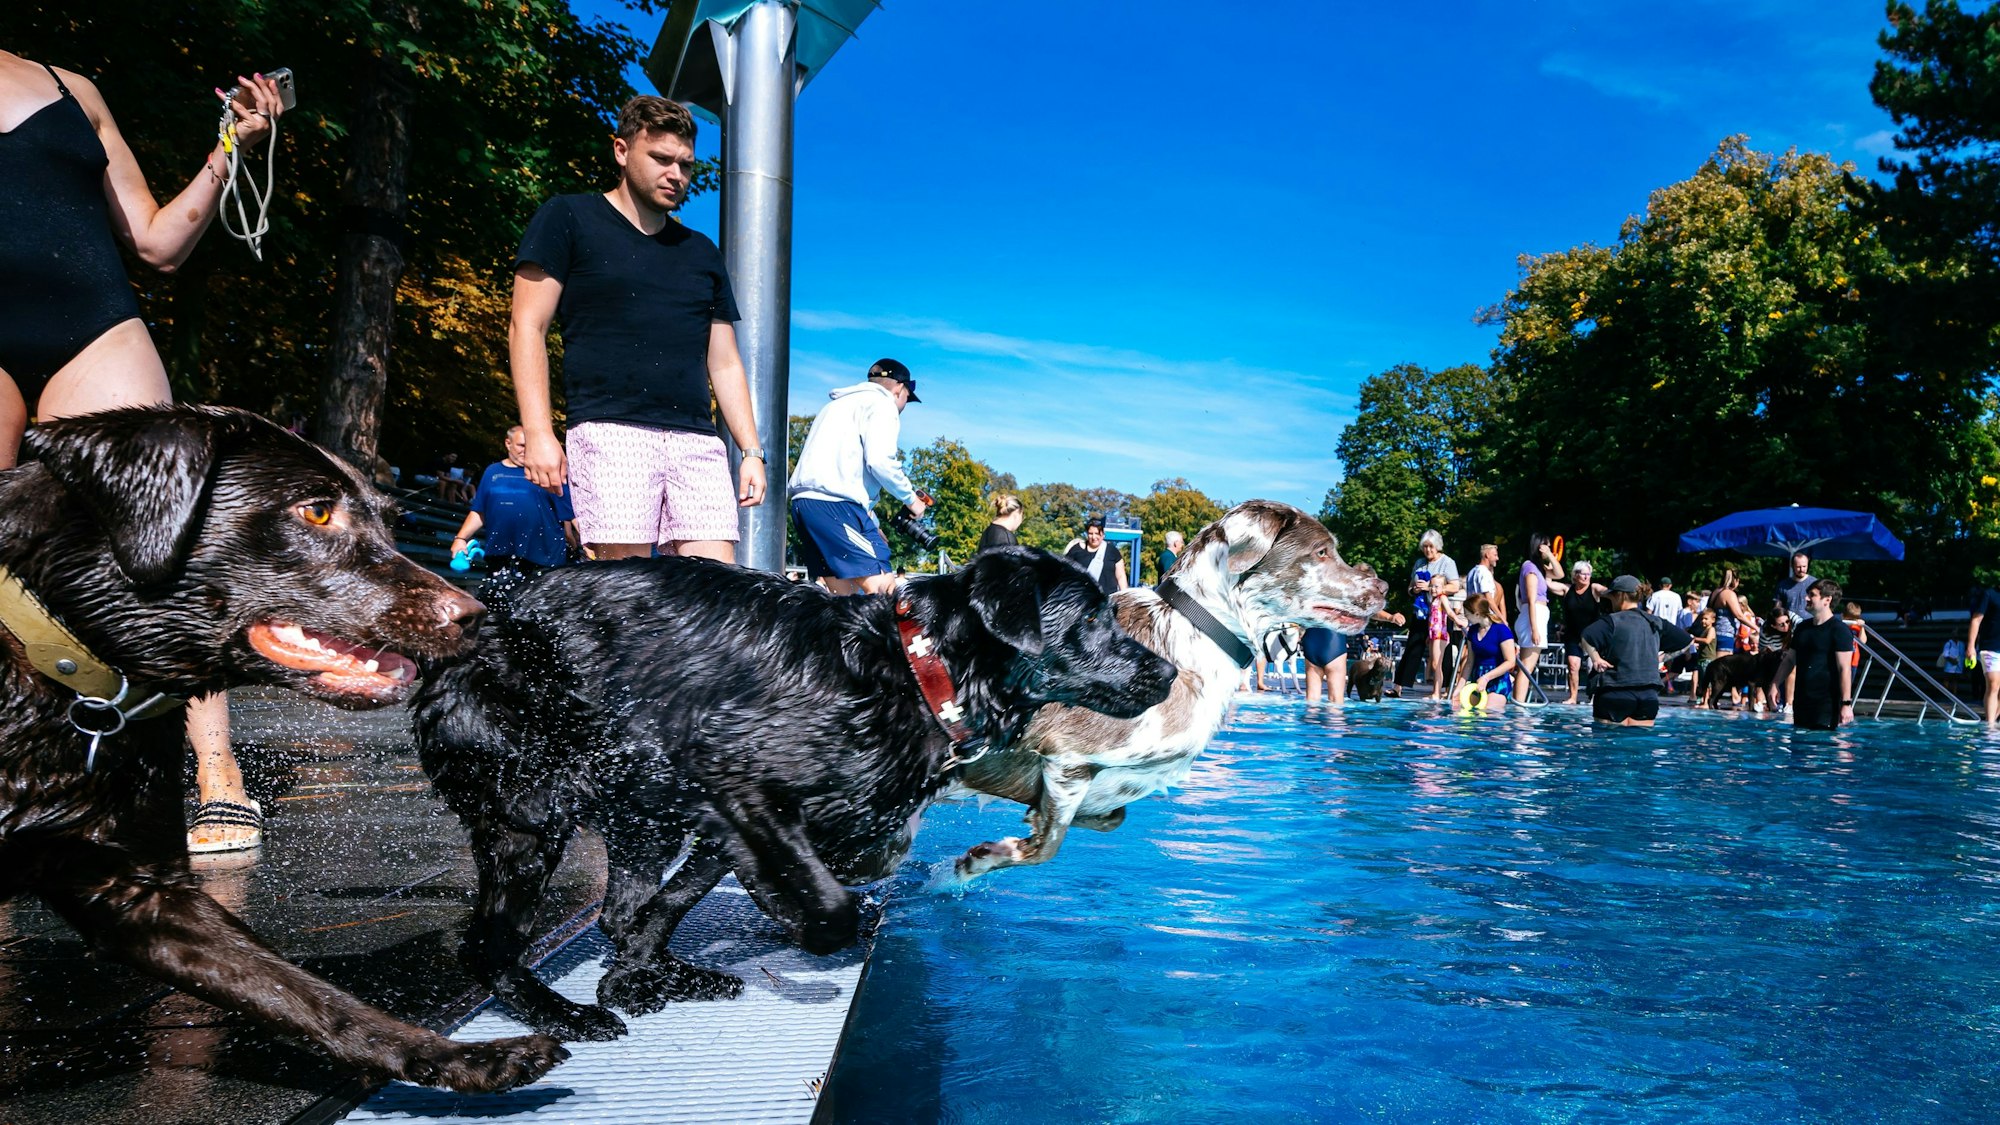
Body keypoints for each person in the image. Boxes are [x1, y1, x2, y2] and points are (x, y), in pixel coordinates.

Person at [1, 54, 287, 855]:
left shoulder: (71, 88)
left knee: (162, 540)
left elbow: (158, 244)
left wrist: (232, 146)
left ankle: (216, 771)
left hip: (92, 325)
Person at [510, 95, 766, 563]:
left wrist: (751, 450)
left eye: (686, 165)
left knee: (716, 595)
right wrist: (539, 431)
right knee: (625, 595)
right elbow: (528, 324)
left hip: (697, 441)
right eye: (662, 159)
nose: (677, 175)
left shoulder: (701, 251)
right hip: (610, 432)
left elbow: (724, 361)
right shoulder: (568, 217)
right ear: (622, 151)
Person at [788, 358, 926, 595]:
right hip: (835, 508)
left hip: (805, 507)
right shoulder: (883, 405)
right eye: (906, 400)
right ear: (899, 389)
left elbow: (843, 473)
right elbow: (880, 461)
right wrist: (911, 499)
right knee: (884, 590)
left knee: (846, 599)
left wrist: (870, 524)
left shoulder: (834, 407)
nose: (903, 407)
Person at [448, 426, 580, 577]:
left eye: (530, 446)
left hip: (544, 557)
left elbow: (572, 512)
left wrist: (591, 543)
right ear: (508, 443)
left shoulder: (548, 472)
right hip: (500, 553)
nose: (526, 450)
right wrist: (461, 538)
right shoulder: (492, 472)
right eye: (521, 445)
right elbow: (479, 511)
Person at [1579, 575, 1692, 727]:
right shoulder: (1655, 621)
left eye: (1612, 597)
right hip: (1648, 696)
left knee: (1605, 746)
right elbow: (1686, 641)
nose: (1611, 602)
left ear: (1621, 596)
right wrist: (1662, 657)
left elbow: (1586, 636)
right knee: (1640, 746)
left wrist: (1596, 658)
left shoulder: (1611, 621)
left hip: (1614, 692)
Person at [1785, 580, 1856, 731]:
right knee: (1798, 749)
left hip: (1826, 705)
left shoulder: (1839, 630)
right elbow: (1790, 659)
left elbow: (1845, 669)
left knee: (1822, 748)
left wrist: (1846, 704)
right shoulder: (1802, 628)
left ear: (1827, 600)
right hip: (1801, 703)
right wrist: (1774, 684)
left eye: (1812, 595)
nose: (1806, 598)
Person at [1396, 530, 1460, 690]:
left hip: (1440, 612)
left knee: (1442, 652)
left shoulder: (1447, 562)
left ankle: (1445, 688)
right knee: (1412, 646)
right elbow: (1410, 586)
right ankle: (1399, 686)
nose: (1428, 550)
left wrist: (1431, 587)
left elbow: (1455, 586)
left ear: (1437, 546)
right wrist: (1414, 590)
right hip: (1421, 611)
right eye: (1425, 547)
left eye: (1431, 547)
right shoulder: (1419, 563)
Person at [1302, 608, 1405, 705]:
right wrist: (1390, 617)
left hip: (1311, 641)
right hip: (1333, 642)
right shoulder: (1345, 591)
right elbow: (1366, 610)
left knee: (1312, 702)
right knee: (1335, 703)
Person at [1511, 532, 1567, 702]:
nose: (1549, 548)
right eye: (1546, 545)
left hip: (1536, 616)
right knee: (1527, 666)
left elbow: (1560, 574)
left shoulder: (1540, 569)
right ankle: (1519, 703)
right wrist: (1535, 629)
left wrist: (1550, 555)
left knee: (1528, 665)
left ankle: (1519, 702)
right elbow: (1532, 599)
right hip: (1532, 617)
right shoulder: (1530, 568)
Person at [1453, 594, 1519, 711]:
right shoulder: (1472, 631)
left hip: (1497, 681)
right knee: (1468, 714)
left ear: (1477, 614)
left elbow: (1510, 661)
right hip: (1477, 680)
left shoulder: (1501, 630)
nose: (1466, 617)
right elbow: (1469, 663)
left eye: (1467, 614)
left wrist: (1486, 678)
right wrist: (1458, 688)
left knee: (1488, 713)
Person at [1560, 560, 1605, 704]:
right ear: (1575, 575)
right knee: (1573, 665)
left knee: (1594, 667)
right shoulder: (1568, 590)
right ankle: (1573, 697)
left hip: (1593, 637)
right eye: (1583, 574)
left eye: (1588, 574)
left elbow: (1609, 592)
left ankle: (1593, 696)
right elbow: (1547, 583)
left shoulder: (1594, 588)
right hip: (1573, 636)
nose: (1586, 577)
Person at [1423, 574, 1465, 701]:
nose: (1433, 589)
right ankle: (1435, 691)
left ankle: (1437, 692)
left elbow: (1450, 612)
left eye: (1436, 586)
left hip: (1440, 635)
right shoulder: (1433, 600)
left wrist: (1457, 620)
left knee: (1437, 664)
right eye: (1431, 586)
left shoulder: (1443, 598)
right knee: (1435, 663)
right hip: (1433, 634)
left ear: (1443, 587)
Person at [1065, 516, 1128, 596]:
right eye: (1091, 534)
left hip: (1108, 601)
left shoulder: (1112, 551)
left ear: (1103, 534)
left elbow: (1121, 576)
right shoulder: (1076, 550)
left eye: (1097, 533)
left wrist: (1124, 596)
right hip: (1083, 600)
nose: (1094, 537)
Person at [1965, 580, 2000, 722]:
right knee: (1994, 684)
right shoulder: (1990, 594)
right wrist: (1971, 646)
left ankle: (1992, 720)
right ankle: (1990, 726)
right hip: (1990, 646)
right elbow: (1976, 620)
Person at [1464, 543, 1506, 627]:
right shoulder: (1484, 572)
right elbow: (1488, 599)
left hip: (1473, 618)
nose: (1497, 558)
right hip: (1484, 620)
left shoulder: (1472, 572)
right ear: (1487, 555)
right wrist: (1502, 619)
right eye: (1495, 555)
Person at [1689, 608, 1720, 707]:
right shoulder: (1704, 630)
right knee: (1702, 680)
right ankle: (1703, 700)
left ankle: (1706, 702)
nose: (1703, 621)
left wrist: (1694, 639)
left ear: (1713, 620)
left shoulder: (1711, 629)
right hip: (1702, 658)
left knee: (1707, 681)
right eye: (1702, 619)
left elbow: (1707, 641)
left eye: (1706, 619)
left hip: (1708, 659)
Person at [1775, 551, 1816, 626]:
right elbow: (1778, 607)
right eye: (1798, 567)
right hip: (1789, 625)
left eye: (1804, 566)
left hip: (1810, 624)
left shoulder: (1815, 583)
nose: (1801, 569)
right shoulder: (1783, 585)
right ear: (1792, 566)